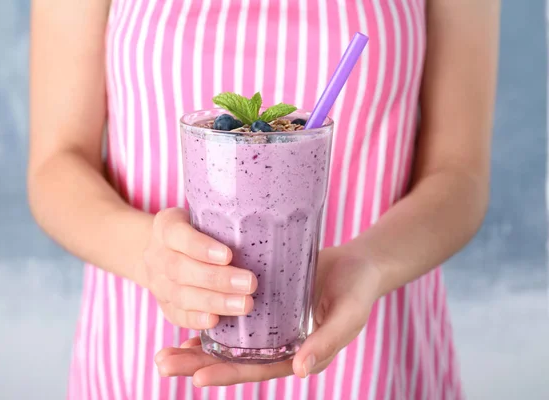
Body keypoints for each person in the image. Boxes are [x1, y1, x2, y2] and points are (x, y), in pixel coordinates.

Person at [28, 0, 499, 398]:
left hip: (373, 353)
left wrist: (370, 263)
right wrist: (151, 257)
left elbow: (460, 174)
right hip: (142, 352)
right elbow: (56, 164)